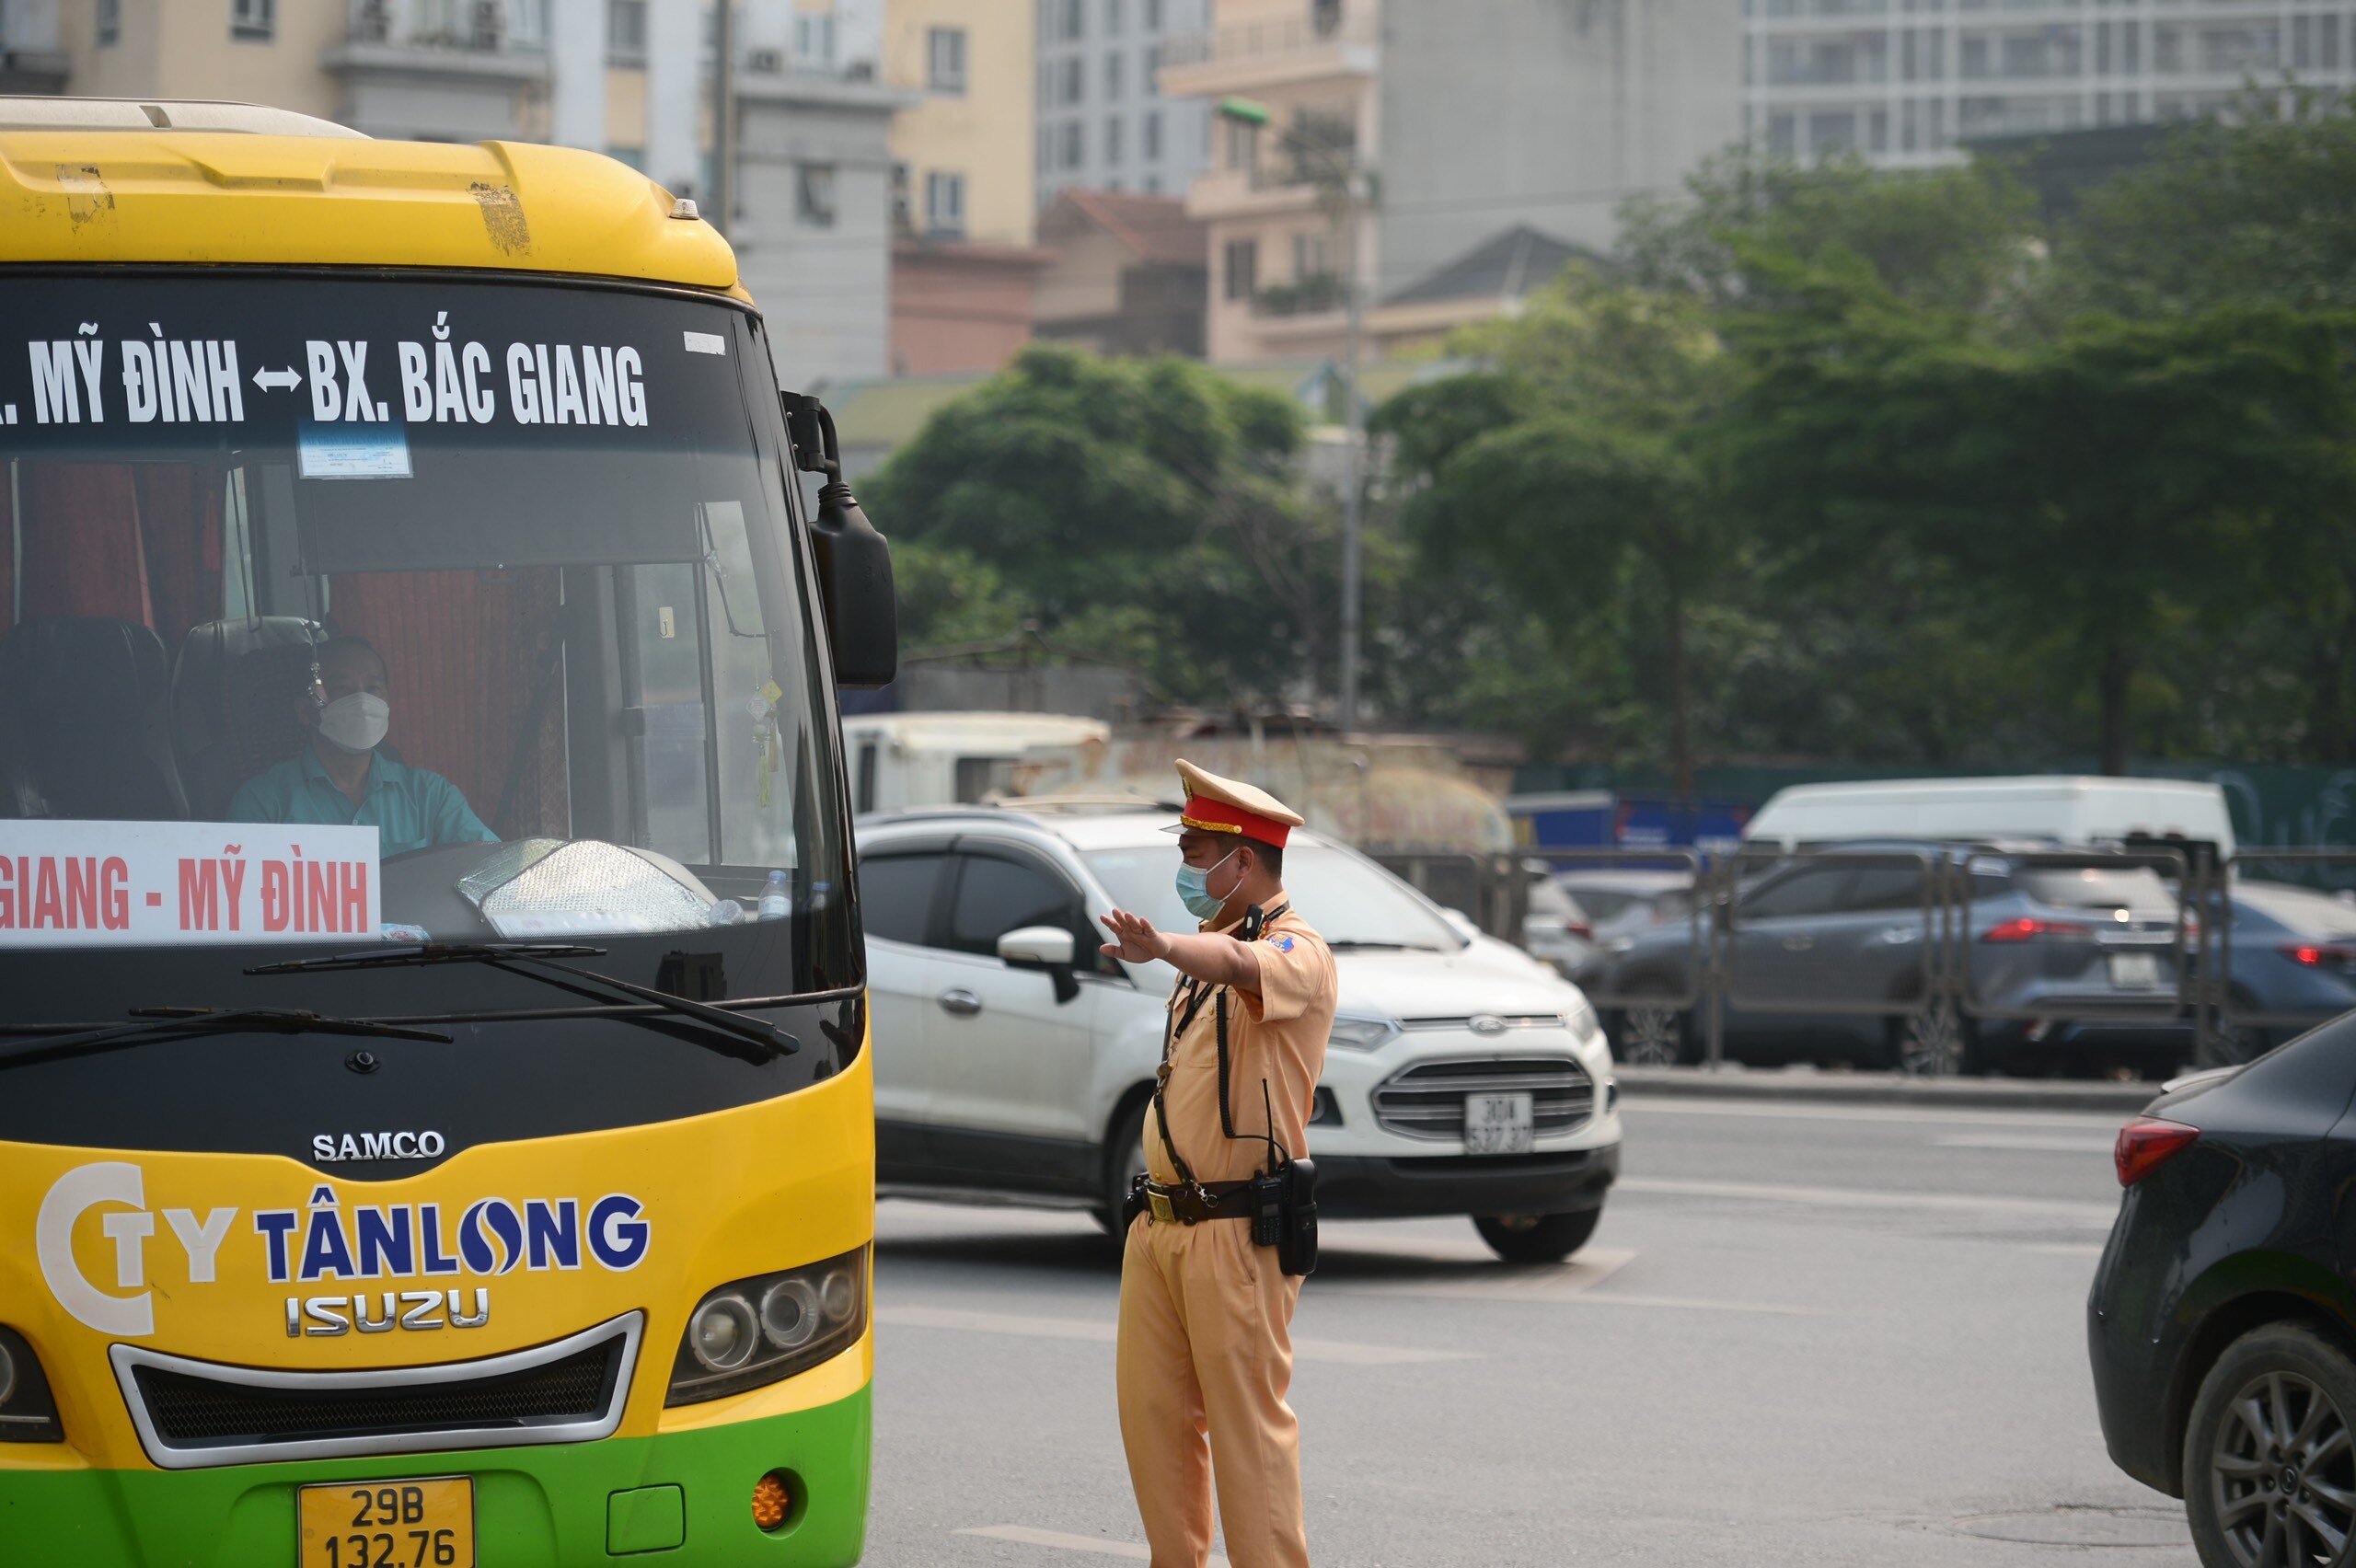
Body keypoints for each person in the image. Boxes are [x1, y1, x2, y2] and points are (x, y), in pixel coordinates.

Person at [1097, 759, 1340, 1568]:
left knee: (1247, 1433)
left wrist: (1162, 945)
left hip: (1238, 1229)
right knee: (1154, 1422)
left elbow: (1246, 971)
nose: (1189, 869)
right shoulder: (1207, 948)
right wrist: (1180, 947)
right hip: (1163, 1224)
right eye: (1189, 850)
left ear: (1245, 861)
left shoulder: (1297, 950)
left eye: (1200, 853)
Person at [227, 636, 497, 856]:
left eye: (373, 688)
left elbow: (491, 866)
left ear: (387, 702)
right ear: (304, 710)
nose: (361, 701)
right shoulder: (263, 802)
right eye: (342, 689)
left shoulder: (430, 795)